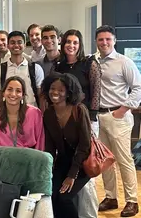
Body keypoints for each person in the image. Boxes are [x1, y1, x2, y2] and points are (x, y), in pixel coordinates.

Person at [52, 29, 101, 218]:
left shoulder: (89, 64)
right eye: (68, 42)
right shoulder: (60, 66)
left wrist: (92, 118)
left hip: (87, 121)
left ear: (79, 45)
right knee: (70, 167)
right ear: (62, 44)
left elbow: (96, 92)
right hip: (65, 122)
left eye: (75, 42)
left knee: (86, 171)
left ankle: (88, 215)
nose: (71, 46)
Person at [95, 25, 141, 217]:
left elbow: (138, 88)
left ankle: (132, 201)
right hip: (98, 117)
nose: (104, 43)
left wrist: (122, 110)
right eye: (100, 39)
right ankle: (110, 197)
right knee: (104, 160)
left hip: (118, 116)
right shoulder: (93, 60)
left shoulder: (124, 62)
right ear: (96, 41)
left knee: (124, 160)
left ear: (114, 40)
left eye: (108, 39)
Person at [42, 73, 91, 218]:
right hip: (62, 162)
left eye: (61, 89)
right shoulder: (48, 114)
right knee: (50, 196)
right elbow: (50, 146)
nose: (55, 92)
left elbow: (85, 145)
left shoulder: (79, 110)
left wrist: (72, 175)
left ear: (69, 92)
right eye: (52, 88)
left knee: (64, 198)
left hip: (82, 163)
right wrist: (48, 170)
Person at [0, 76, 44, 150]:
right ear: (3, 93)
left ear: (23, 96)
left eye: (18, 91)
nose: (13, 94)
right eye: (9, 89)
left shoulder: (34, 113)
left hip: (32, 158)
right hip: (6, 158)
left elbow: (41, 142)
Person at [0, 31, 44, 109]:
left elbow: (41, 97)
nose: (16, 45)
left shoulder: (36, 69)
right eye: (12, 43)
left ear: (25, 45)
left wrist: (41, 117)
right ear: (8, 46)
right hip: (8, 114)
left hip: (31, 113)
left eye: (19, 42)